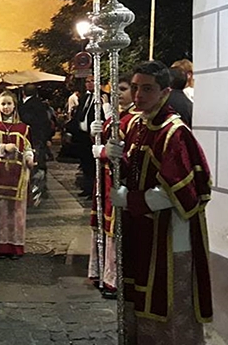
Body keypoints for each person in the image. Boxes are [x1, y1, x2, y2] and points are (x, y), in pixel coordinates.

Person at [106, 61, 212, 344]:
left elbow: (180, 191)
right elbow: (135, 171)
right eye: (137, 88)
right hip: (141, 230)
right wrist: (114, 157)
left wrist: (130, 199)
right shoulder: (137, 125)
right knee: (138, 298)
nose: (138, 95)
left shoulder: (175, 132)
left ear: (165, 91)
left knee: (168, 304)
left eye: (147, 89)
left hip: (168, 233)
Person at [87, 75, 137, 300]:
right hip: (104, 179)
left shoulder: (134, 119)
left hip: (119, 181)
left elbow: (127, 153)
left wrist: (103, 152)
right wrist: (94, 133)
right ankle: (103, 274)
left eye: (124, 89)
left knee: (115, 229)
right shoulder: (116, 116)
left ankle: (115, 279)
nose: (119, 93)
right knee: (104, 225)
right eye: (116, 89)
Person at [0, 90, 35, 259]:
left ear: (15, 105)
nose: (6, 107)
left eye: (9, 104)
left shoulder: (24, 128)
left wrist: (29, 159)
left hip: (17, 177)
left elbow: (27, 148)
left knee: (14, 213)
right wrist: (3, 148)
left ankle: (14, 247)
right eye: (3, 104)